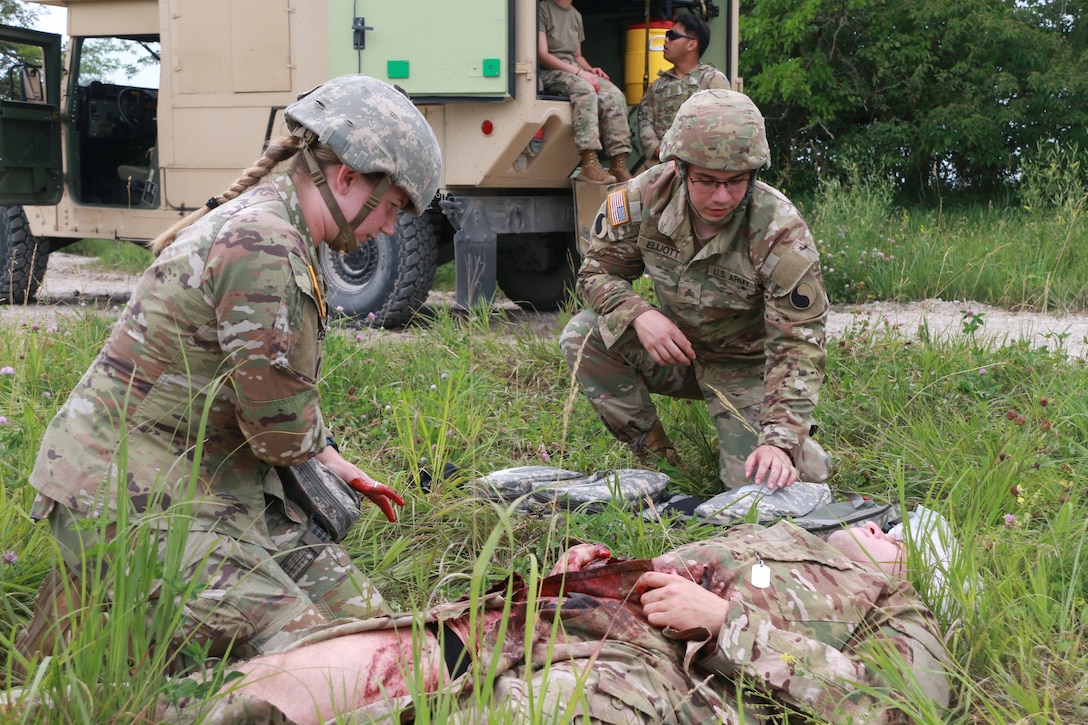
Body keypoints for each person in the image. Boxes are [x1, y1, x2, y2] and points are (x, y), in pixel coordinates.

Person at [17, 75, 441, 671]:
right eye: (393, 208)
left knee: (366, 628)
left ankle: (101, 625)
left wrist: (328, 455)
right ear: (346, 178)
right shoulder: (264, 243)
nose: (391, 229)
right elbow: (277, 433)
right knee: (312, 660)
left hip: (209, 479)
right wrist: (311, 448)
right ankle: (94, 665)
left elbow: (270, 397)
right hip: (126, 493)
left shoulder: (284, 228)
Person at [161, 519, 952, 725]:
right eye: (888, 526)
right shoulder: (788, 540)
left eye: (905, 545)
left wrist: (724, 622)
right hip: (568, 609)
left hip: (647, 673)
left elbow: (887, 706)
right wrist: (601, 561)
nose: (888, 535)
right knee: (373, 662)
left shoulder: (897, 613)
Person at [560, 88, 831, 492]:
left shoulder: (778, 231)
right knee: (583, 335)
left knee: (766, 490)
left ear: (753, 175)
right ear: (680, 169)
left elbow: (799, 344)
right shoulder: (640, 200)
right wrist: (640, 313)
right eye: (706, 181)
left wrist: (779, 439)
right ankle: (654, 459)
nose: (721, 197)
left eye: (735, 182)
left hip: (745, 369)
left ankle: (802, 447)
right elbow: (595, 272)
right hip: (675, 352)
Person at [538, 0, 633, 184]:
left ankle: (618, 163)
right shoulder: (543, 9)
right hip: (550, 72)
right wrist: (581, 74)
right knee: (585, 89)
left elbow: (577, 56)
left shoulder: (575, 15)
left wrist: (590, 70)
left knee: (614, 94)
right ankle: (589, 161)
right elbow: (543, 55)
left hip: (574, 70)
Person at [636, 13, 731, 167]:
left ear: (691, 45)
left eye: (672, 35)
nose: (666, 40)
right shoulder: (657, 86)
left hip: (701, 168)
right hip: (663, 167)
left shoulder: (712, 80)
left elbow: (725, 122)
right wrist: (658, 149)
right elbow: (644, 121)